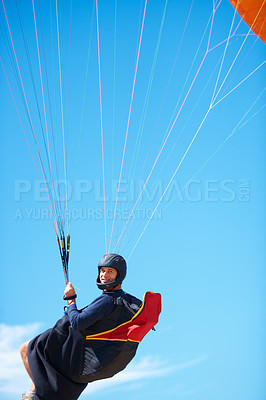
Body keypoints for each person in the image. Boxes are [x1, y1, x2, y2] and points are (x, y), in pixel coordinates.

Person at [20, 253, 149, 400]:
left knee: (26, 348)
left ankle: (33, 393)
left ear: (119, 275)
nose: (104, 275)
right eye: (102, 270)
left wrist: (71, 299)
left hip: (77, 358)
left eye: (110, 271)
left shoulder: (107, 300)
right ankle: (33, 391)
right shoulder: (128, 300)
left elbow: (77, 323)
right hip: (98, 363)